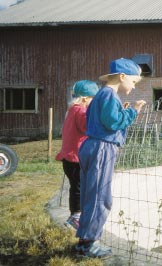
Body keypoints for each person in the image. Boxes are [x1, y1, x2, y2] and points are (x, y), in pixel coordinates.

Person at [75, 58, 146, 258]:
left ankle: (84, 241)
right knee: (101, 197)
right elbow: (113, 123)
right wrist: (134, 111)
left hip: (92, 145)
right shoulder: (108, 94)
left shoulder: (100, 95)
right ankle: (90, 244)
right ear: (122, 77)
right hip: (102, 148)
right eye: (133, 81)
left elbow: (104, 119)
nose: (133, 85)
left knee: (91, 194)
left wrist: (120, 110)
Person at [55, 80, 99, 230]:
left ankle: (75, 215)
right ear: (85, 98)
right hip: (75, 157)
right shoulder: (81, 111)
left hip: (69, 157)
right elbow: (87, 127)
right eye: (94, 99)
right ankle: (76, 216)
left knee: (76, 187)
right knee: (79, 187)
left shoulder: (72, 110)